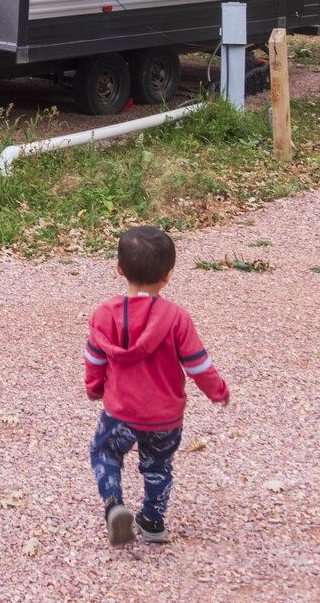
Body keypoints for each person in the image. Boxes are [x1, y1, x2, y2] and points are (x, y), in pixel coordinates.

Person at [84, 225, 229, 546]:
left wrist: (94, 388)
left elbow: (94, 358)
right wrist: (217, 390)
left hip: (120, 413)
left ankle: (114, 504)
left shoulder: (104, 315)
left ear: (120, 268)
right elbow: (197, 364)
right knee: (158, 466)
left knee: (104, 451)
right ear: (168, 276)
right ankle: (152, 521)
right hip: (165, 417)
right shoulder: (176, 318)